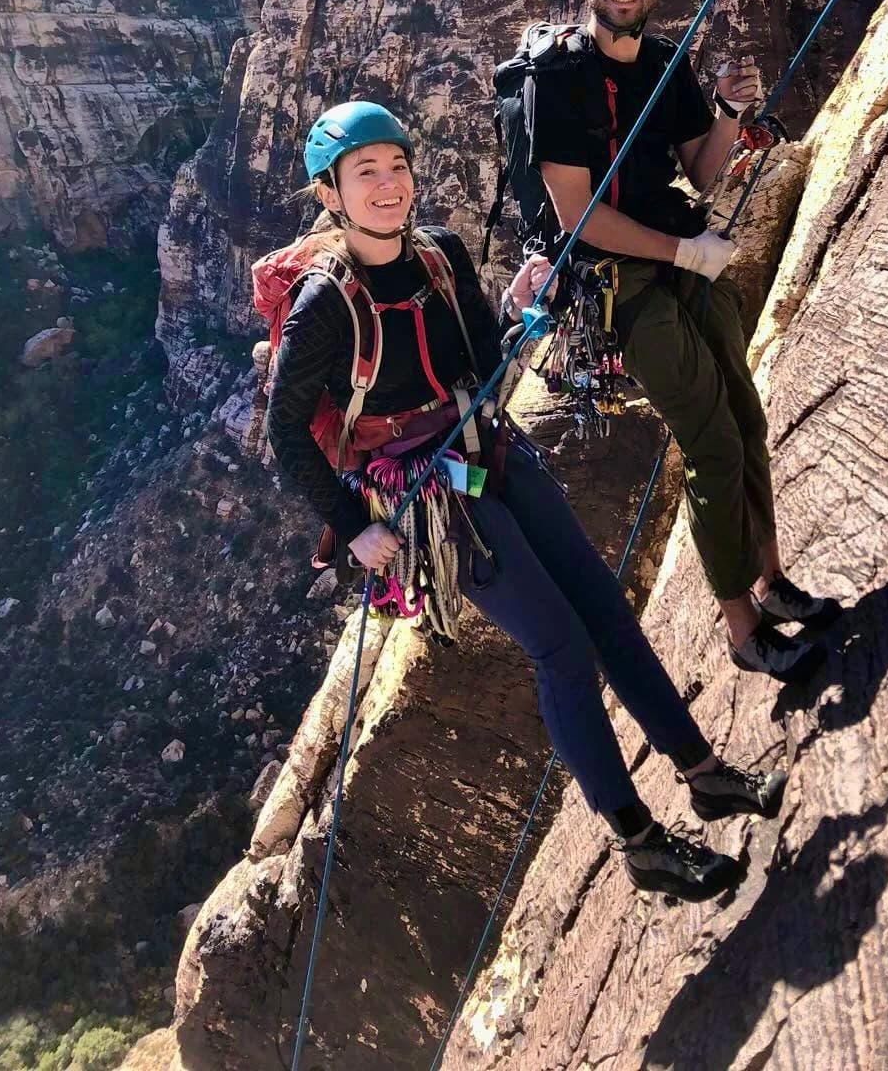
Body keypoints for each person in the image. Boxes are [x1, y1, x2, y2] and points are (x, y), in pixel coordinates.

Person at [264, 99, 788, 904]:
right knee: (562, 649)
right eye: (365, 173)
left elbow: (480, 360)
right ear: (329, 193)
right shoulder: (323, 306)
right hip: (429, 498)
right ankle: (640, 842)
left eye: (397, 166)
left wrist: (514, 309)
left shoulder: (438, 254)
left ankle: (705, 772)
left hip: (489, 454)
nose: (388, 185)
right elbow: (284, 433)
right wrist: (352, 525)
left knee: (608, 614)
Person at [528, 0, 841, 684]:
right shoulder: (558, 79)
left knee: (746, 415)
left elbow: (703, 169)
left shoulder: (665, 64)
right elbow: (578, 217)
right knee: (710, 439)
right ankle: (742, 632)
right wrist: (685, 252)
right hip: (618, 282)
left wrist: (730, 113)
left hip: (677, 254)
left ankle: (772, 584)